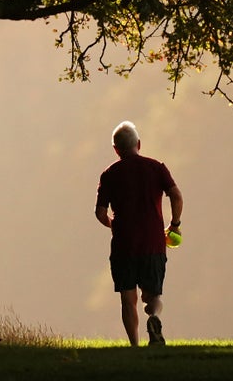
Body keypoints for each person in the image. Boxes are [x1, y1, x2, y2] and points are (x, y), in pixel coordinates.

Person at [94, 120, 183, 347]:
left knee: (128, 298)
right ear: (139, 144)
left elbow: (101, 213)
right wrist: (174, 224)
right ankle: (153, 318)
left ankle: (134, 346)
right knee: (153, 297)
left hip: (124, 244)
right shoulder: (156, 167)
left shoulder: (109, 174)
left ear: (116, 149)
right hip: (153, 242)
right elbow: (176, 196)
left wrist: (113, 224)